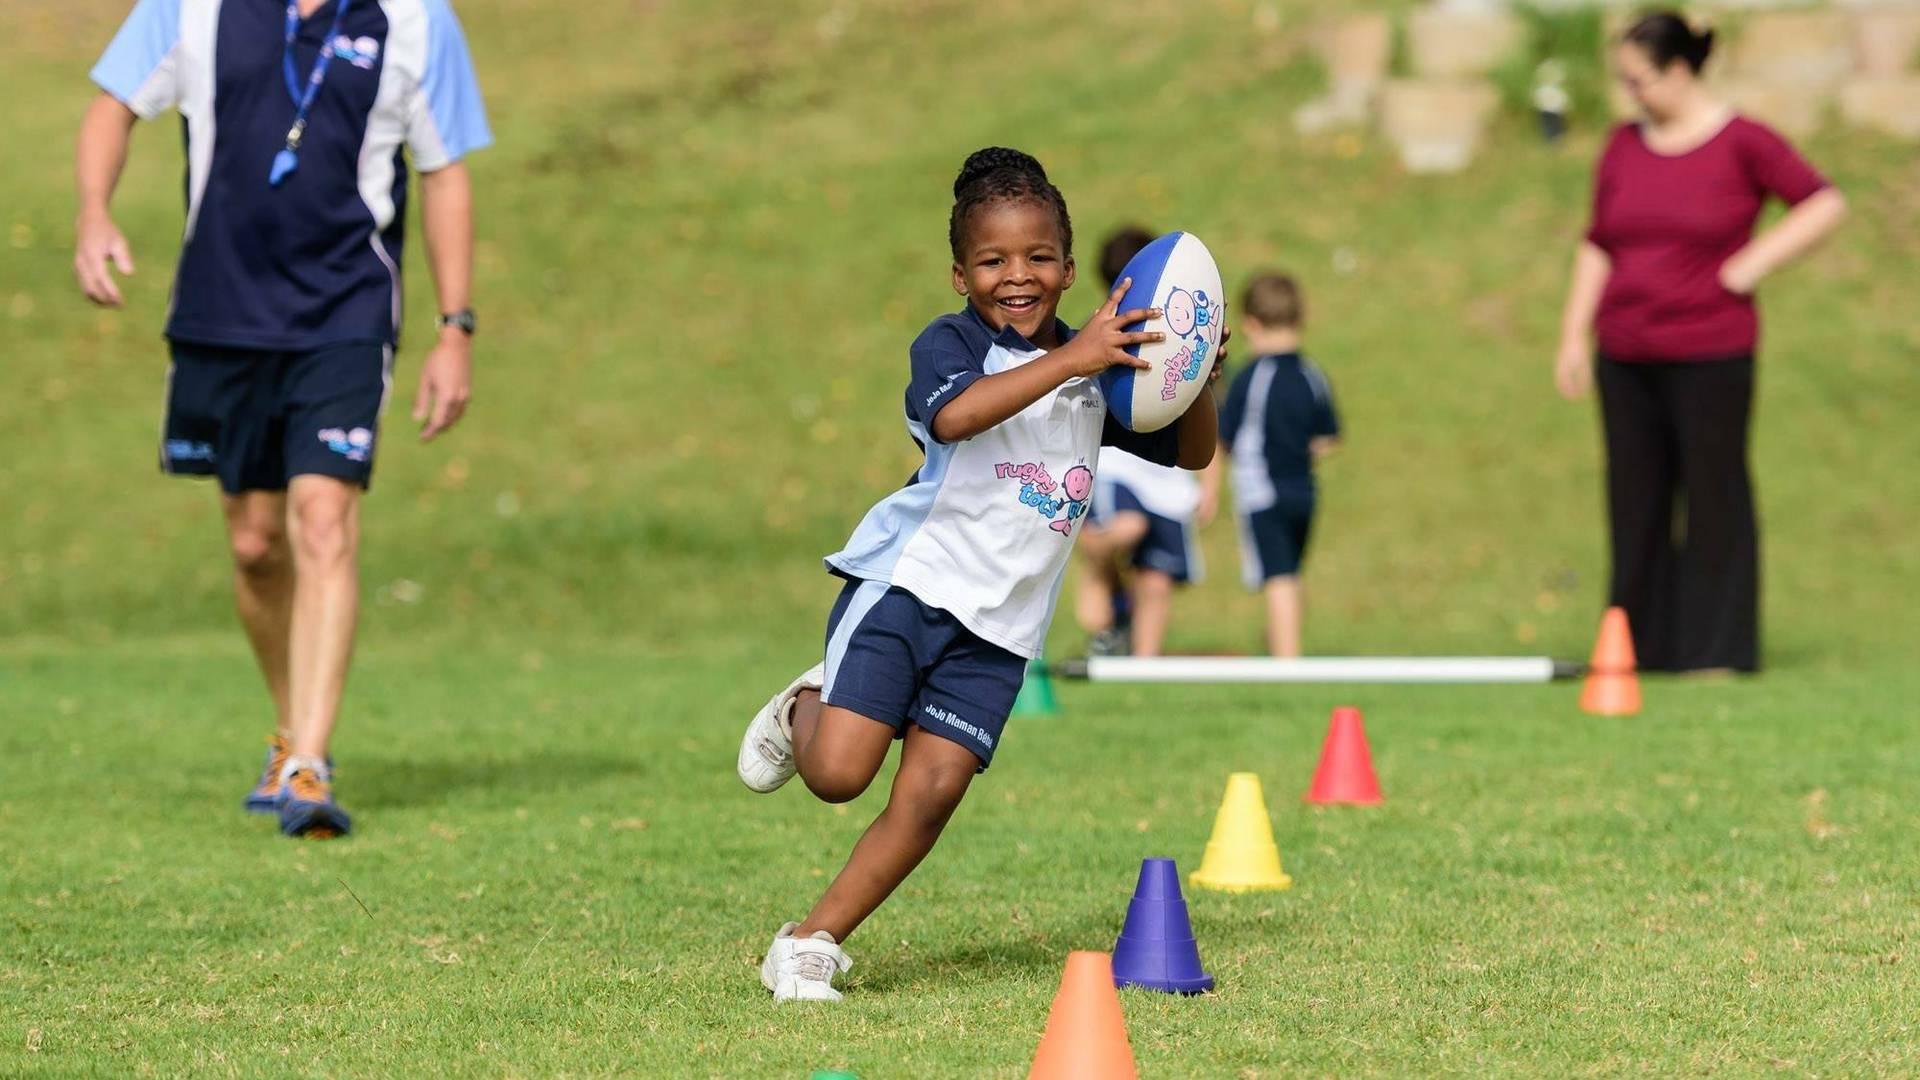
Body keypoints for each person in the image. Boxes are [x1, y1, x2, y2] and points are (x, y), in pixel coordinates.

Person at [734, 148, 1221, 1002]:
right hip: (909, 589)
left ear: (1071, 268)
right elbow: (956, 416)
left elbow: (1189, 454)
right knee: (840, 776)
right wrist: (1076, 362)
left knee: (930, 794)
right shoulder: (952, 343)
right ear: (961, 273)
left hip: (1000, 632)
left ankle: (811, 942)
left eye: (1038, 257)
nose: (1018, 276)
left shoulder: (1096, 368)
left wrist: (1196, 374)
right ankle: (804, 704)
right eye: (993, 261)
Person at [75, 0, 492, 836]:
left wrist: (455, 327)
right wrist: (94, 211)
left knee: (324, 520)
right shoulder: (189, 7)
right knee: (255, 545)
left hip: (345, 315)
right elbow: (113, 104)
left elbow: (444, 169)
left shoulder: (415, 19)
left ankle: (310, 759)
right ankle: (289, 730)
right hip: (219, 317)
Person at [1554, 11, 1846, 674]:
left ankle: (1715, 650)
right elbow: (1599, 241)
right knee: (1635, 501)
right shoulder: (1623, 145)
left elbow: (1823, 202)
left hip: (1710, 351)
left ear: (1680, 71)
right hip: (1625, 353)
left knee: (1714, 495)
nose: (1631, 93)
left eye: (1640, 79)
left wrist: (1753, 262)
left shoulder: (1743, 142)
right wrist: (1574, 332)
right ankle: (1638, 647)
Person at [1074, 226, 1222, 657]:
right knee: (1127, 527)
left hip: (1169, 477)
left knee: (1157, 580)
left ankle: (1145, 664)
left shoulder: (1191, 333)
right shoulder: (1097, 337)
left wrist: (1210, 483)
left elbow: (1211, 422)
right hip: (1119, 469)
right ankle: (1097, 562)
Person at [1219, 272, 1340, 658]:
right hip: (1304, 493)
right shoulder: (1312, 374)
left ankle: (1287, 662)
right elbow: (1326, 439)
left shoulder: (1252, 376)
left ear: (1251, 324)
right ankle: (1281, 646)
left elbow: (1225, 438)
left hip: (1263, 494)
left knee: (1278, 577)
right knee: (1290, 573)